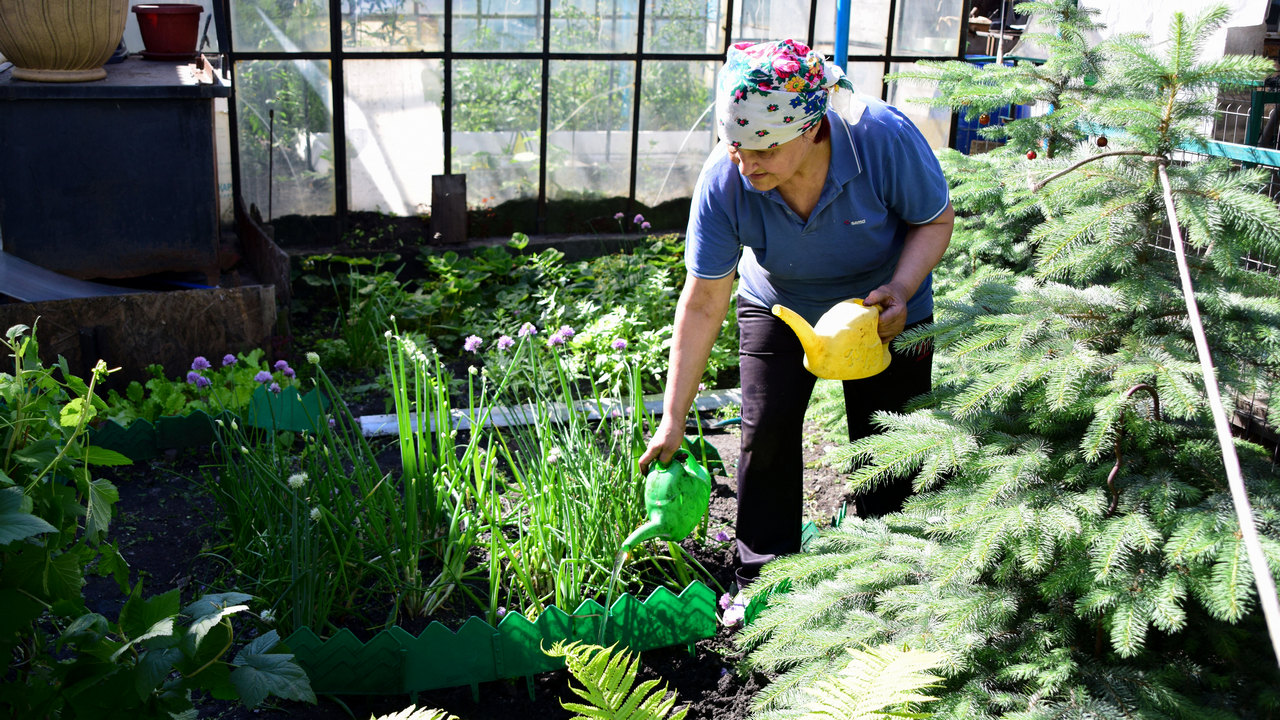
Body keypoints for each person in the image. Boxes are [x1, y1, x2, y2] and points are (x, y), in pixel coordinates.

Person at [637, 38, 954, 623]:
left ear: (812, 129)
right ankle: (762, 575)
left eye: (762, 146)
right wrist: (674, 418)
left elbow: (934, 220)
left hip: (883, 303)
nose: (745, 161)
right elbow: (705, 299)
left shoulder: (881, 137)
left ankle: (893, 571)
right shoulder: (726, 179)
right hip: (779, 302)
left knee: (890, 439)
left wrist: (903, 290)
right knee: (766, 429)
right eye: (734, 144)